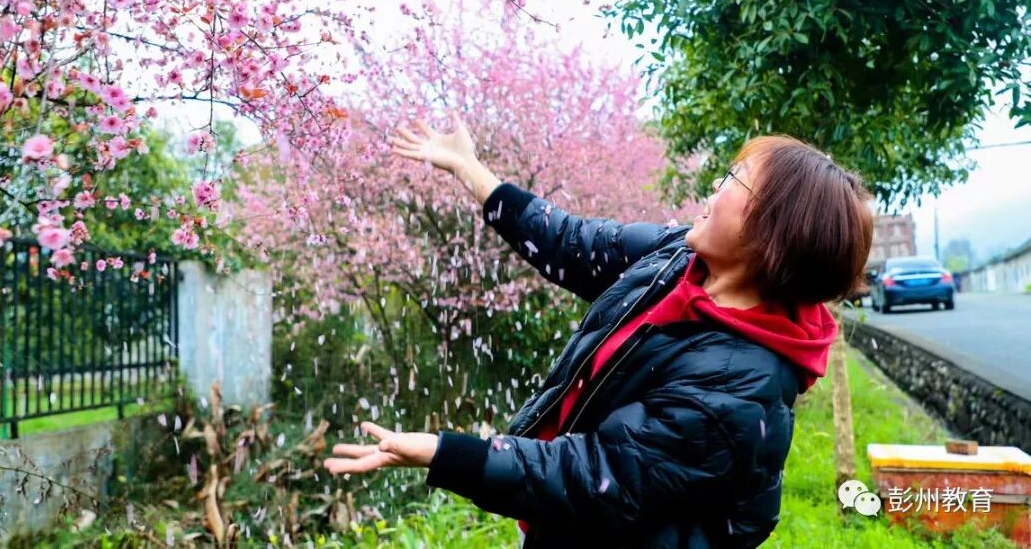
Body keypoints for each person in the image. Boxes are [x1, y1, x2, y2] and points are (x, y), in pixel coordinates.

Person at [323, 109, 874, 548]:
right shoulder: (677, 260)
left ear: (771, 231)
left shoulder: (738, 384)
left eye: (734, 179)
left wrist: (446, 453)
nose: (715, 184)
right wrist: (470, 169)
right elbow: (571, 243)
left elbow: (595, 476)